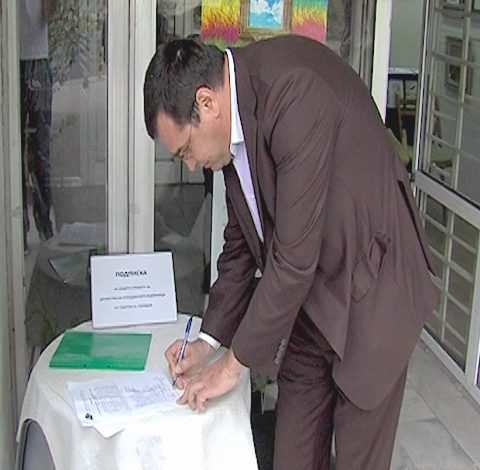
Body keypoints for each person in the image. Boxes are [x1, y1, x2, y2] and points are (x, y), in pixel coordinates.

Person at [143, 35, 437, 470]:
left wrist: (232, 366)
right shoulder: (231, 131)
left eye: (185, 149)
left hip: (372, 291)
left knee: (358, 461)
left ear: (206, 102)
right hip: (307, 307)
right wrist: (208, 342)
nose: (189, 164)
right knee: (293, 456)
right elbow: (242, 243)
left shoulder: (291, 92)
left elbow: (294, 261)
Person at [19, 0, 57, 246]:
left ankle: (44, 224)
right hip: (12, 58)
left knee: (41, 152)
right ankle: (19, 230)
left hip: (37, 59)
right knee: (13, 155)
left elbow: (49, 14)